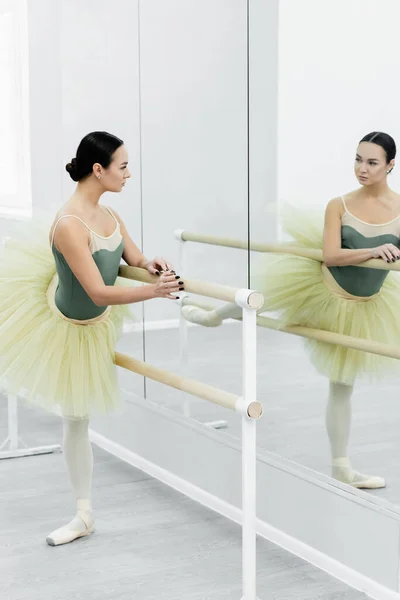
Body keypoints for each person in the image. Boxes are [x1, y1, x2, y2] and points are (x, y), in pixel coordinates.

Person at [0, 131, 184, 545]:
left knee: (81, 414)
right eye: (122, 166)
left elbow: (131, 258)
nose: (128, 174)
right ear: (98, 170)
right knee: (76, 416)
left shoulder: (111, 216)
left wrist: (148, 263)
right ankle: (83, 512)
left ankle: (84, 514)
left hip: (98, 321)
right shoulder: (69, 224)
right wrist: (152, 292)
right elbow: (98, 292)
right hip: (66, 324)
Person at [252, 131, 400, 489]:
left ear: (390, 166)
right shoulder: (339, 204)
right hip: (323, 289)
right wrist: (372, 250)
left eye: (372, 162)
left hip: (365, 305)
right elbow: (332, 255)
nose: (361, 169)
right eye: (358, 159)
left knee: (342, 384)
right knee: (260, 299)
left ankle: (341, 466)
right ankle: (214, 315)